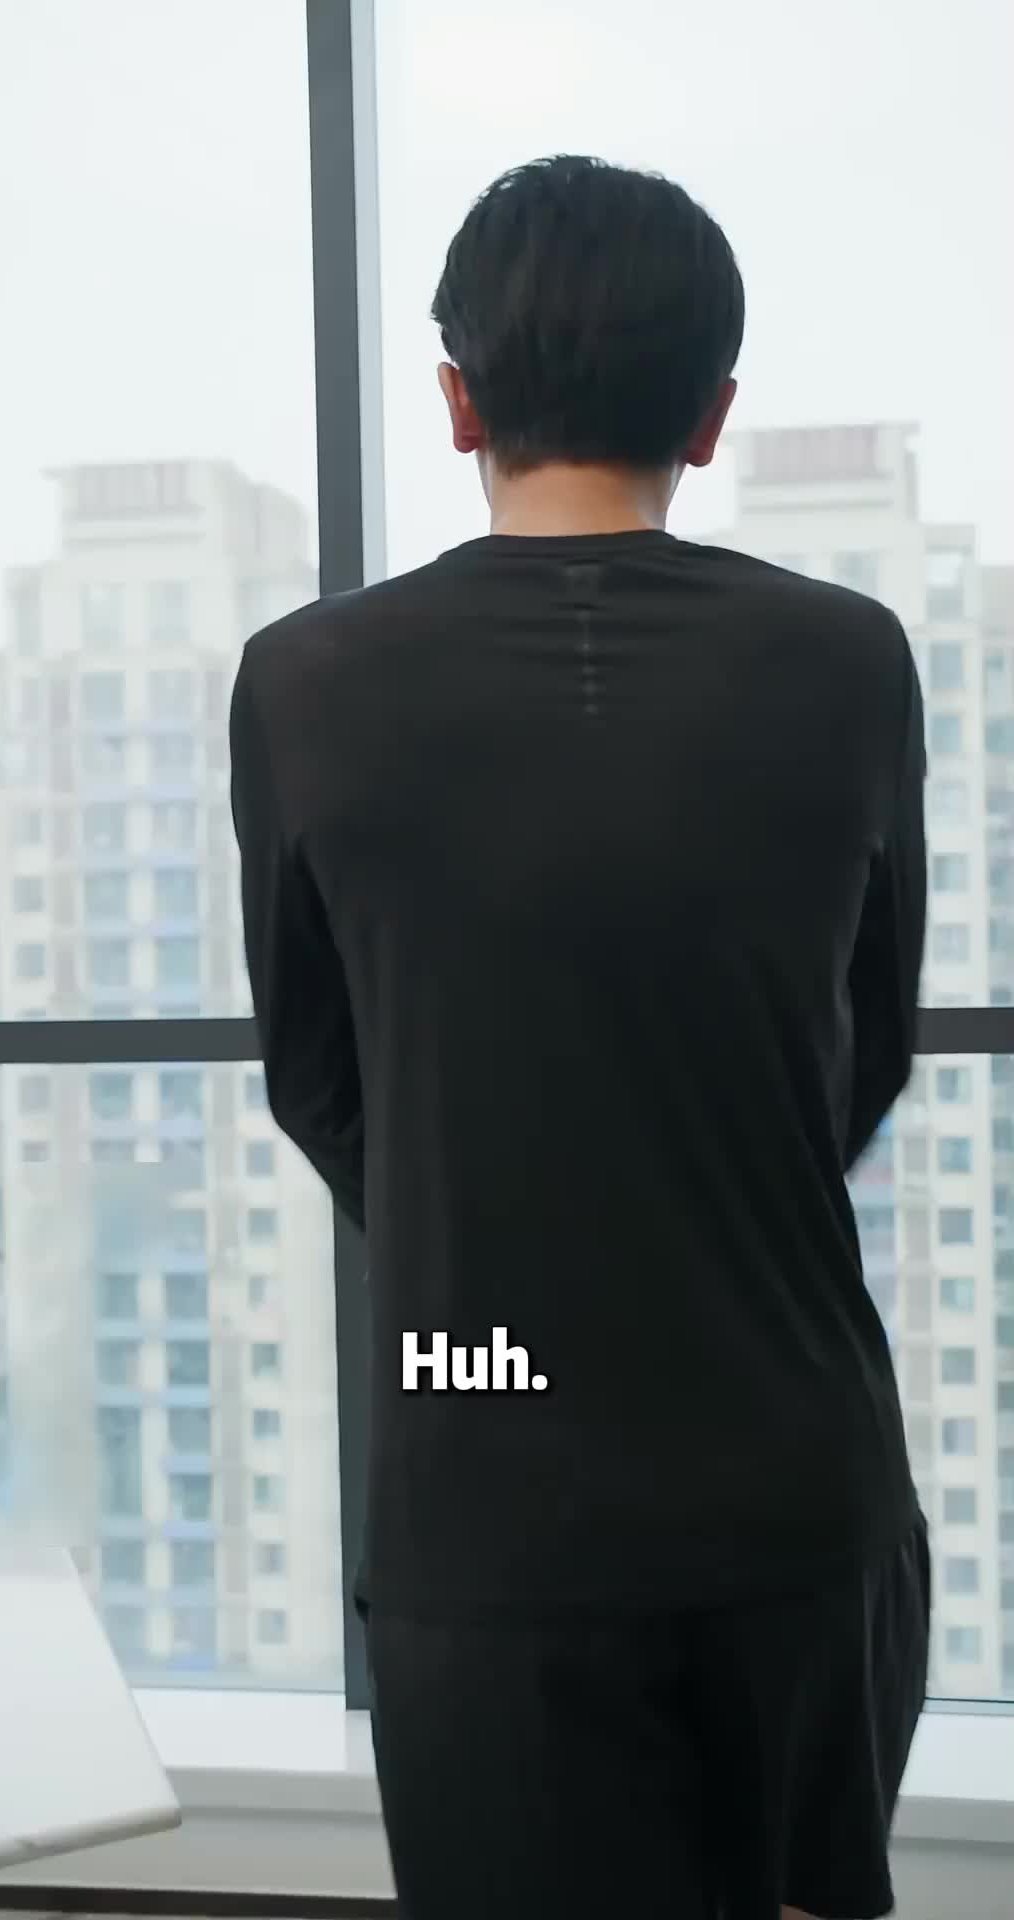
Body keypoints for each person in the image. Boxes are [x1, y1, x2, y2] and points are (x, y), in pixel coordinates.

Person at [231, 155, 929, 1920]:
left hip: (486, 1494)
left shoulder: (305, 680)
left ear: (455, 396)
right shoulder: (850, 661)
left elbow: (315, 1074)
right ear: (711, 414)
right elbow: (866, 1046)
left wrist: (494, 1223)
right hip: (793, 1473)